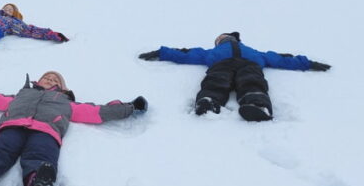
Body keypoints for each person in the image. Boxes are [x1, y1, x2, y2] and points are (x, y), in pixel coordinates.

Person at [0, 72, 147, 186]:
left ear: (62, 88)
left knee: (40, 155)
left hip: (46, 130)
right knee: (0, 149)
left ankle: (37, 184)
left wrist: (130, 107)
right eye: (46, 76)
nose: (49, 79)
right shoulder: (22, 94)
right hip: (14, 125)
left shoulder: (66, 102)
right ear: (37, 81)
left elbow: (99, 111)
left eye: (54, 78)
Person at [138, 31, 331, 122]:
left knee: (234, 82)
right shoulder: (250, 51)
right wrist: (161, 52)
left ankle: (250, 104)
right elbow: (280, 58)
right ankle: (215, 101)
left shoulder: (217, 52)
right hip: (245, 65)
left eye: (221, 38)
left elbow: (186, 54)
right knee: (240, 82)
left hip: (234, 65)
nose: (221, 40)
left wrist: (308, 64)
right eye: (219, 39)